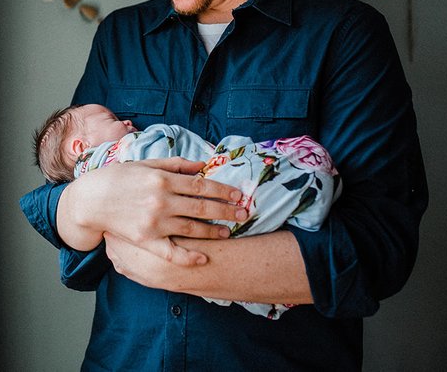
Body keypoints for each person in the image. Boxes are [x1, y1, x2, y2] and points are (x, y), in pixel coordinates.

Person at [18, 0, 428, 370]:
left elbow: (379, 248)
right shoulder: (119, 39)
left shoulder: (346, 38)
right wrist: (88, 202)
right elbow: (65, 202)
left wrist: (173, 266)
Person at [33, 103, 342, 319]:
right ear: (79, 147)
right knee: (299, 168)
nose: (127, 122)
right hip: (207, 199)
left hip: (225, 278)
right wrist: (85, 202)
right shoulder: (122, 151)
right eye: (113, 118)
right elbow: (71, 259)